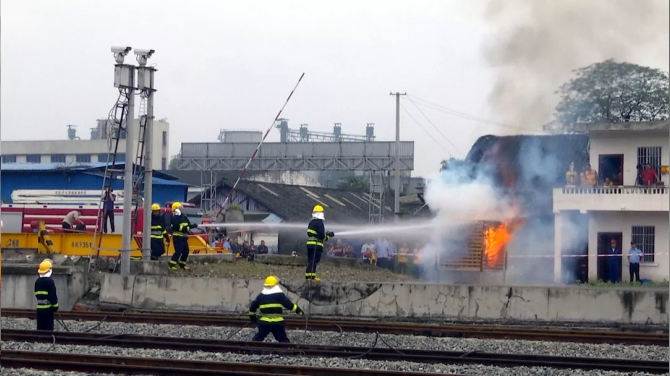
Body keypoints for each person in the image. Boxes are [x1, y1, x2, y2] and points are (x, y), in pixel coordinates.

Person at [249, 275, 304, 343]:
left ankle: (254, 350)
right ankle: (287, 350)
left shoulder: (261, 296)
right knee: (282, 339)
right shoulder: (279, 295)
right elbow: (289, 305)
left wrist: (253, 318)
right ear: (275, 285)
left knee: (258, 338)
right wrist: (299, 311)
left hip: (264, 323)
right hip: (277, 323)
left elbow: (252, 307)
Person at [305, 205, 334, 281]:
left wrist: (325, 235)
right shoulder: (319, 222)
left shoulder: (311, 222)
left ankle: (308, 276)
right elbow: (321, 235)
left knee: (310, 260)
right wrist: (327, 236)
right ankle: (311, 277)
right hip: (316, 245)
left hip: (310, 245)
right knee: (314, 260)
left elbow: (310, 233)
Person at [169, 202, 196, 270]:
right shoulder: (174, 217)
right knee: (178, 251)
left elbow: (188, 225)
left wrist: (193, 226)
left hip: (184, 237)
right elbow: (175, 227)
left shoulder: (184, 217)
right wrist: (186, 228)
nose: (182, 209)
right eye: (180, 208)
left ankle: (182, 265)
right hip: (178, 237)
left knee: (186, 251)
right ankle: (172, 264)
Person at [35, 259, 58, 331]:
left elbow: (36, 294)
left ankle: (40, 340)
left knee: (40, 327)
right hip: (48, 310)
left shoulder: (37, 281)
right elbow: (53, 296)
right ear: (49, 270)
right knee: (48, 328)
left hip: (39, 309)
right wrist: (55, 307)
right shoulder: (50, 281)